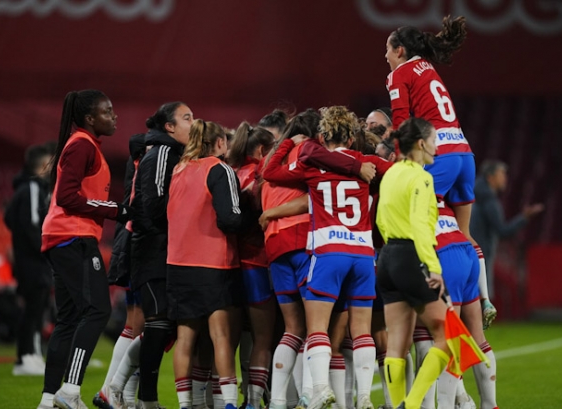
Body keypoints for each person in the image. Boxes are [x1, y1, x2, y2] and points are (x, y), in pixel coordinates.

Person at [264, 106, 392, 409]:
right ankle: (363, 397)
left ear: (322, 134)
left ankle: (319, 389)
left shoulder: (310, 165)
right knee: (361, 330)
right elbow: (396, 169)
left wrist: (289, 139)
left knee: (318, 327)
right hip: (362, 255)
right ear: (351, 134)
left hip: (328, 252)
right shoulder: (367, 163)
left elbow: (270, 172)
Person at [383, 16, 497, 326]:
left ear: (401, 51)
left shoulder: (399, 75)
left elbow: (401, 120)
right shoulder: (429, 69)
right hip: (463, 151)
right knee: (464, 233)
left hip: (439, 155)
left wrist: (399, 160)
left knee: (418, 223)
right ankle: (484, 298)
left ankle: (435, 296)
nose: (386, 57)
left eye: (389, 51)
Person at [36, 89, 128, 409]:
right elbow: (67, 196)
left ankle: (49, 400)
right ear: (90, 118)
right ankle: (70, 390)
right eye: (108, 111)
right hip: (74, 237)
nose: (114, 116)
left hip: (62, 237)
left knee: (69, 319)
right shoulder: (82, 145)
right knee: (98, 310)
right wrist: (115, 209)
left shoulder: (82, 144)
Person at [166, 119, 244, 409]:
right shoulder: (219, 169)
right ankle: (229, 403)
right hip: (213, 264)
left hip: (177, 263)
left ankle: (186, 404)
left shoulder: (179, 169)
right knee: (220, 336)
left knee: (185, 337)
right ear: (221, 143)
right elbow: (231, 217)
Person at [376, 117, 452, 409]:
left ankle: (396, 406)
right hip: (410, 258)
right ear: (421, 143)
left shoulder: (392, 173)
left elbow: (382, 219)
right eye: (433, 140)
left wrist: (392, 255)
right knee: (446, 336)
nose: (436, 145)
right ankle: (413, 403)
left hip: (387, 258)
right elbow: (421, 225)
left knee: (396, 343)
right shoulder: (422, 177)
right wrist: (433, 267)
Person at [130, 102, 193, 409]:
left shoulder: (169, 153)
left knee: (163, 325)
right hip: (154, 249)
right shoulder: (163, 153)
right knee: (157, 324)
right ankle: (146, 399)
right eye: (186, 118)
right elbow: (155, 205)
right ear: (169, 126)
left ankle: (117, 387)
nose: (192, 124)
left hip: (164, 248)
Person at [93, 133, 147, 409]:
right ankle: (114, 392)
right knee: (144, 325)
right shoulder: (148, 167)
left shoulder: (137, 167)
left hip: (128, 243)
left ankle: (119, 394)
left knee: (136, 325)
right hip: (139, 245)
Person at [226, 122, 276, 409]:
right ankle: (254, 402)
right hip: (257, 264)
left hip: (230, 267)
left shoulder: (230, 174)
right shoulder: (261, 178)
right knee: (262, 338)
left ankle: (219, 399)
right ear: (260, 150)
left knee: (227, 340)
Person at [434, 200, 499, 409]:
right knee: (477, 336)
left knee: (441, 338)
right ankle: (490, 404)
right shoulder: (450, 194)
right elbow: (470, 237)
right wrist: (485, 298)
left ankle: (459, 400)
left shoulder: (407, 186)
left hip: (442, 254)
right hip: (467, 253)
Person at [4, 143, 53, 376]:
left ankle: (32, 354)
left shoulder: (26, 189)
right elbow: (33, 224)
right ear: (43, 166)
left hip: (29, 259)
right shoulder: (33, 187)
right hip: (33, 260)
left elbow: (8, 217)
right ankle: (24, 357)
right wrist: (45, 249)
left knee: (37, 307)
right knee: (33, 308)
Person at [470, 160, 544, 300]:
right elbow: (503, 231)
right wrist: (524, 218)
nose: (505, 178)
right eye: (501, 174)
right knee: (483, 299)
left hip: (470, 253)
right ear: (490, 177)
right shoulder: (489, 202)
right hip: (482, 254)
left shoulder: (474, 197)